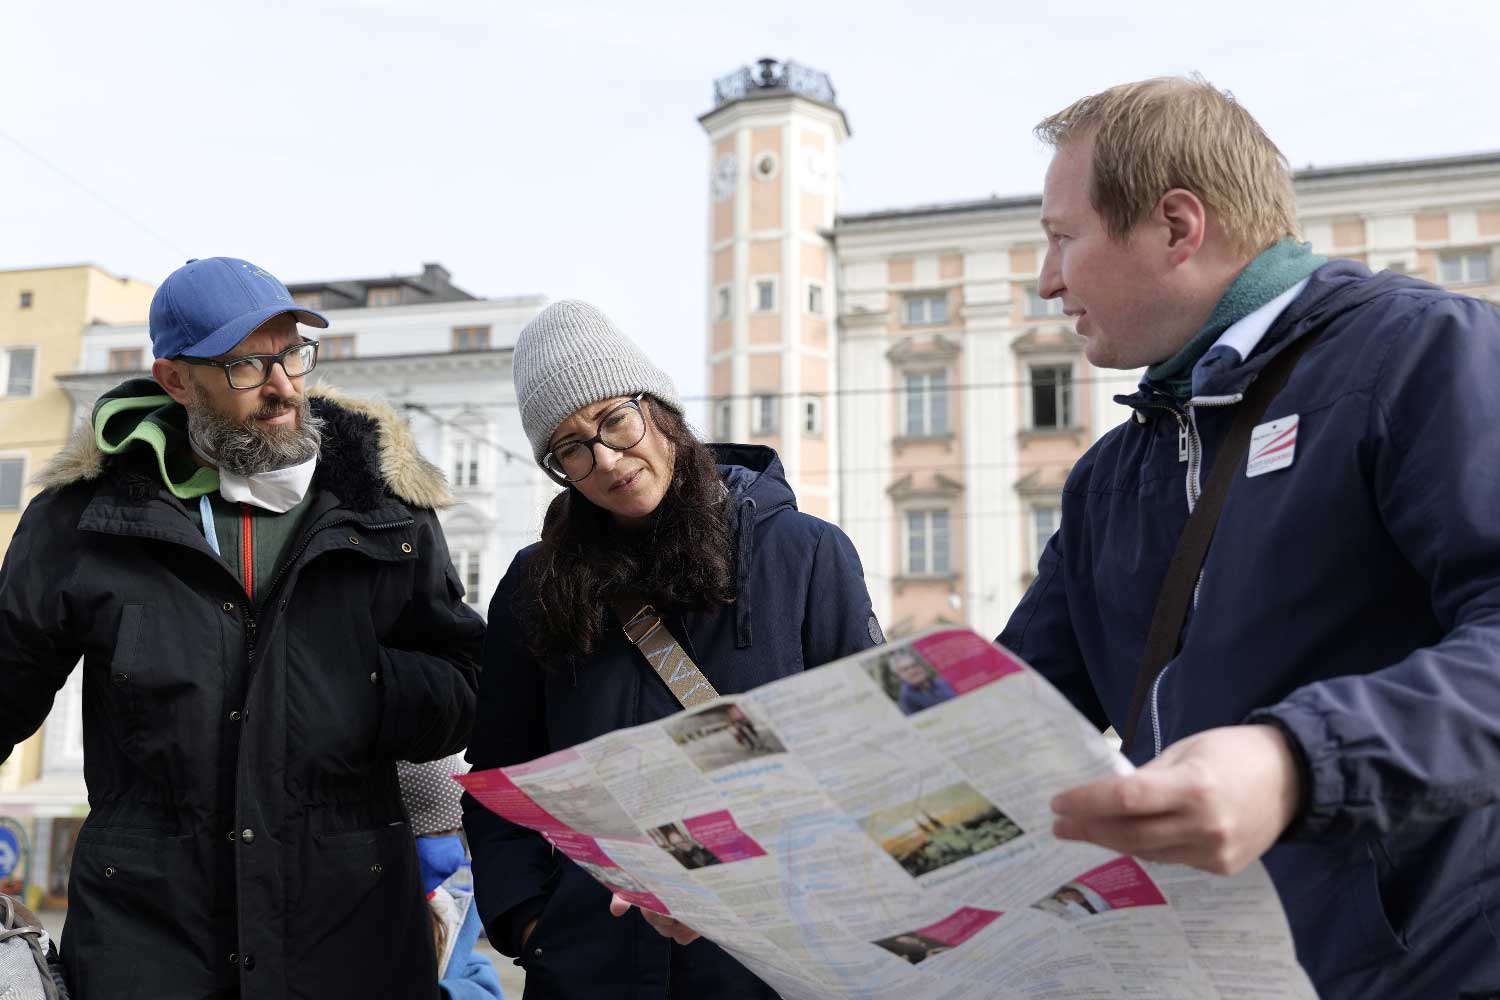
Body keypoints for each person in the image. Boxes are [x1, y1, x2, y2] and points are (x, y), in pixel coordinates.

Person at [993, 77, 1500, 996]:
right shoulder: (1110, 480)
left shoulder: (1426, 353)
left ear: (1179, 228)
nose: (1047, 281)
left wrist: (1295, 761)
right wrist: (760, 858)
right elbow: (997, 723)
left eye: (1062, 238)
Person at [0, 257, 484, 999]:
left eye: (292, 351)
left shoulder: (385, 508)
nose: (284, 385)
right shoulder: (83, 518)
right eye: (244, 365)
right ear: (175, 381)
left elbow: (466, 678)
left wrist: (369, 691)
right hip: (151, 940)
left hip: (348, 936)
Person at [461, 300, 882, 999]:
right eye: (570, 449)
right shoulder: (536, 586)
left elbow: (869, 754)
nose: (605, 460)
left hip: (769, 968)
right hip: (591, 970)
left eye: (614, 421)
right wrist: (531, 924)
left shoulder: (804, 555)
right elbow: (502, 776)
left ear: (659, 408)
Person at [396, 755, 505, 1000]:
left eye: (457, 832)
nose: (455, 850)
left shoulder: (446, 912)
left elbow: (478, 977)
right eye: (440, 832)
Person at [889, 649, 956, 715]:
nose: (913, 671)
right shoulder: (907, 699)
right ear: (899, 676)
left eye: (914, 665)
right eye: (905, 669)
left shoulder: (942, 682)